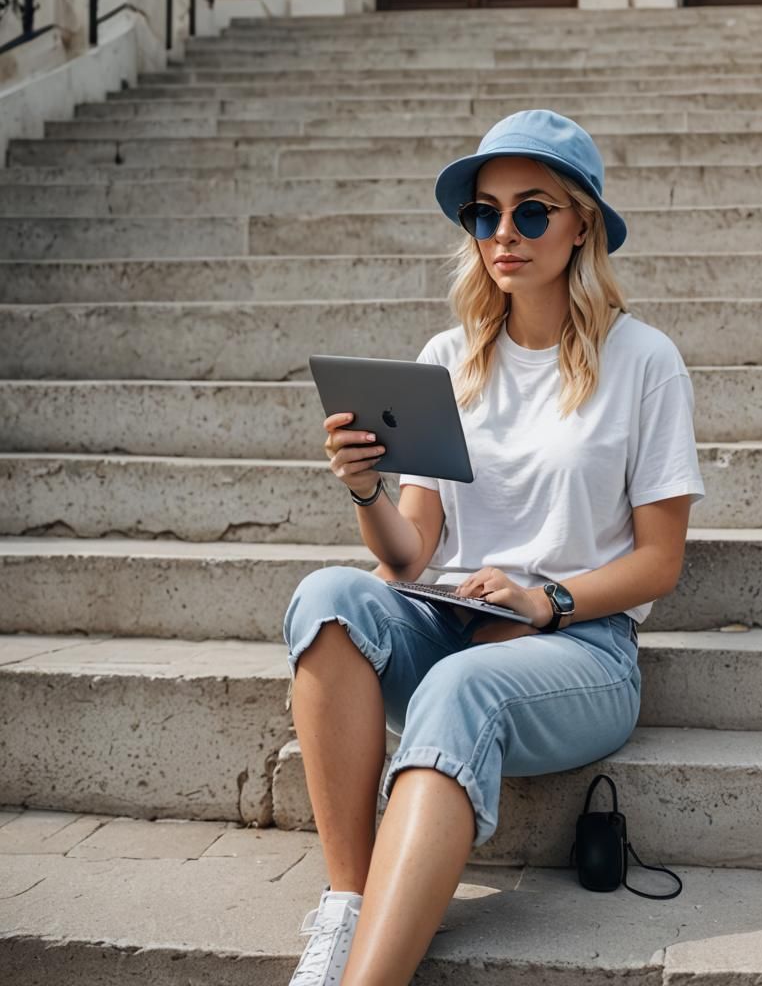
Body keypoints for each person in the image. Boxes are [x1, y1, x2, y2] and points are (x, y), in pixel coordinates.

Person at [281, 109, 705, 986]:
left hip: (582, 647)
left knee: (460, 685)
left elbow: (660, 563)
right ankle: (348, 907)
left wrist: (544, 601)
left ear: (582, 221)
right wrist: (367, 487)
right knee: (329, 596)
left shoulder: (644, 362)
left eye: (532, 211)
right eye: (485, 213)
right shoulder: (449, 358)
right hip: (459, 619)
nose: (503, 234)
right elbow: (408, 558)